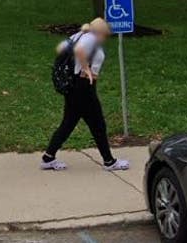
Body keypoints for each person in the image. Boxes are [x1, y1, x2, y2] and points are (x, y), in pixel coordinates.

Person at [41, 18, 129, 171]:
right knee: (98, 125)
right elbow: (79, 51)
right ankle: (109, 161)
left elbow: (61, 48)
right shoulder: (91, 40)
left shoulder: (78, 36)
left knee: (69, 122)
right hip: (84, 88)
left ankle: (48, 157)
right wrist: (85, 67)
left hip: (72, 86)